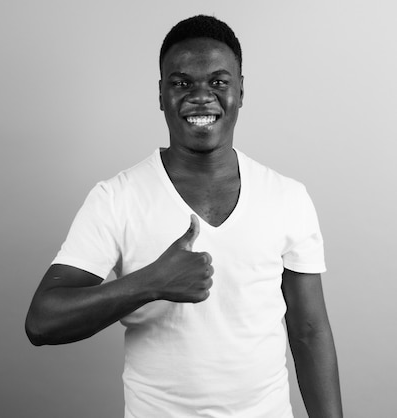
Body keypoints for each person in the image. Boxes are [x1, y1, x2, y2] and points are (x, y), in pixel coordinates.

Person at [25, 15, 343, 418]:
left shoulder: (287, 197)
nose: (201, 96)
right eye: (182, 83)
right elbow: (42, 321)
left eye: (218, 82)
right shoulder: (116, 198)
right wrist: (151, 282)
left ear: (241, 91)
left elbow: (310, 332)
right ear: (161, 95)